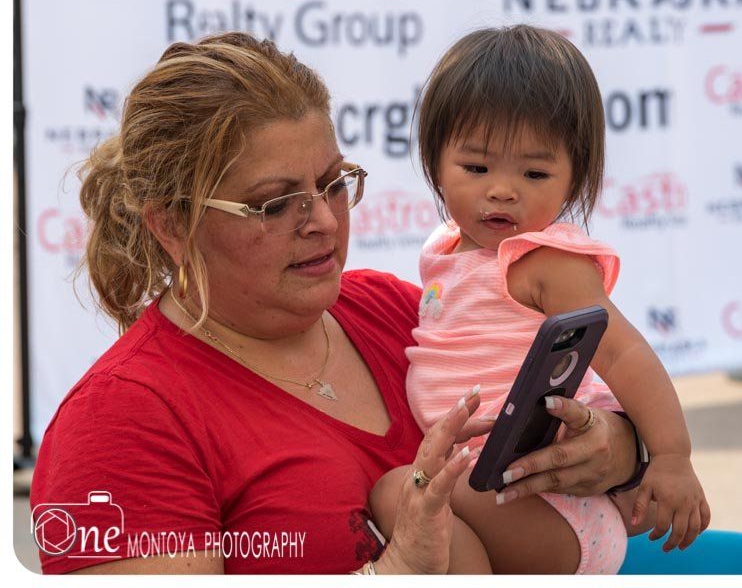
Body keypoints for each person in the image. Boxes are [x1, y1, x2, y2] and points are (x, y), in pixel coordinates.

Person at [30, 32, 649, 575]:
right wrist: (398, 569)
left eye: (333, 183)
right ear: (171, 225)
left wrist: (616, 448)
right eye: (275, 203)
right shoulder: (120, 424)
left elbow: (594, 437)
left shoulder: (393, 308)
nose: (324, 221)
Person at [369, 25, 711, 574]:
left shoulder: (542, 261)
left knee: (397, 492)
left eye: (534, 172)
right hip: (497, 490)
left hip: (556, 506)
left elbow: (624, 355)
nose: (502, 189)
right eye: (476, 168)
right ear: (434, 162)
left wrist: (671, 457)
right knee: (430, 521)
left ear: (574, 180)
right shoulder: (444, 249)